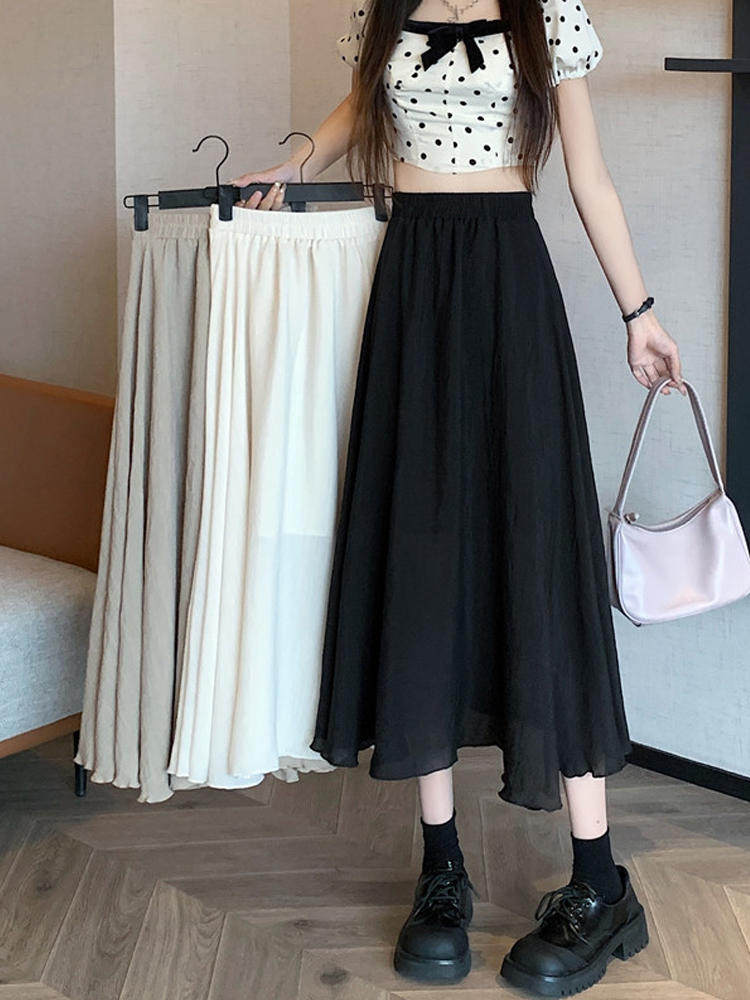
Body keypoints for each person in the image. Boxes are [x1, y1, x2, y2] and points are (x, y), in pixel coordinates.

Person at [230, 0, 685, 995]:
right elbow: (362, 106)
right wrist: (297, 158)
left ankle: (601, 882)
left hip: (508, 277)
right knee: (421, 555)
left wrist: (639, 312)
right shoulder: (384, 8)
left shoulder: (545, 12)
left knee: (538, 557)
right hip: (411, 282)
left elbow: (589, 174)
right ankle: (441, 868)